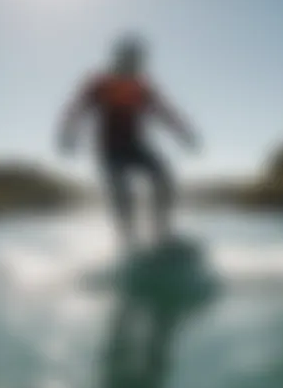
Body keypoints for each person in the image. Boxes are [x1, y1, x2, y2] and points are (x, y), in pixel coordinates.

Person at [57, 35, 198, 246]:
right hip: (109, 151)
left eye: (140, 61)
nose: (138, 66)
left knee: (164, 177)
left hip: (136, 147)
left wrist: (184, 134)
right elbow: (76, 110)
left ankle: (162, 233)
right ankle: (128, 239)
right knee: (122, 192)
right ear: (121, 59)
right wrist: (68, 134)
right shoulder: (99, 84)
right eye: (134, 61)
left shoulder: (142, 87)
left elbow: (165, 112)